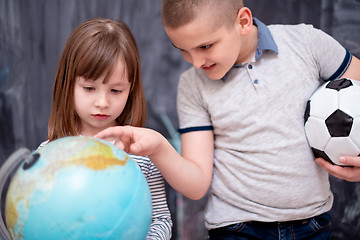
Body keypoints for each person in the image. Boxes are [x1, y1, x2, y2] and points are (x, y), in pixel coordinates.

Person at [95, 1, 360, 239]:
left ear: (243, 21)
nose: (196, 62)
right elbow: (197, 184)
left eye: (206, 46)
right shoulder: (192, 86)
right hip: (237, 228)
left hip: (312, 223)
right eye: (183, 50)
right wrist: (158, 147)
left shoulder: (307, 44)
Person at [40, 17, 172, 240]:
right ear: (67, 84)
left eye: (116, 90)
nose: (102, 102)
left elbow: (161, 220)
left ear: (131, 89)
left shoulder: (143, 154)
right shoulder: (47, 154)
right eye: (89, 88)